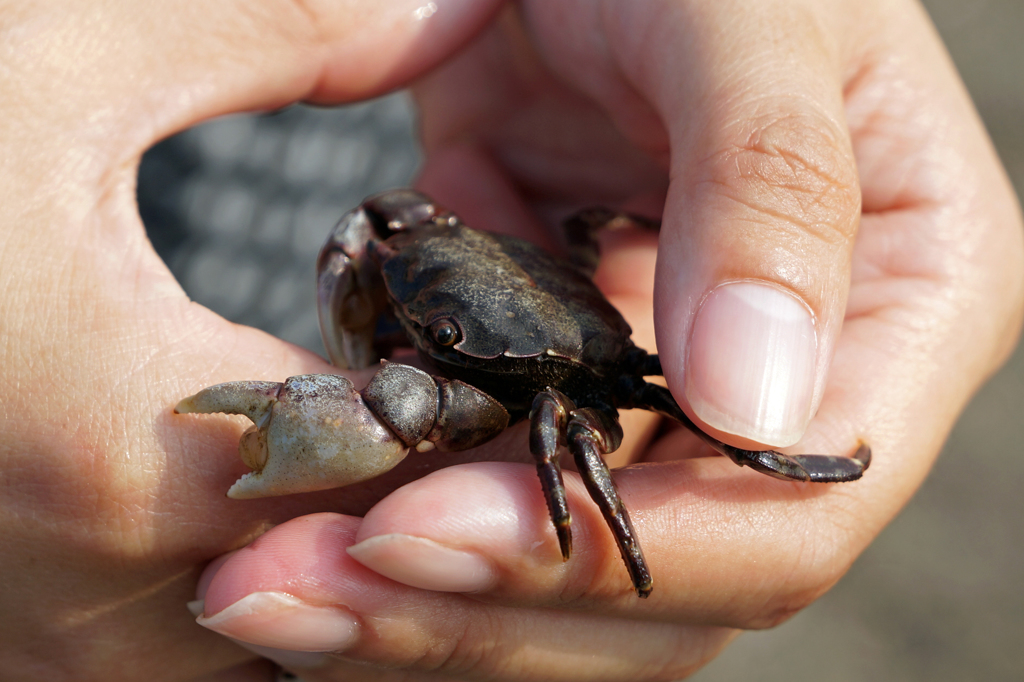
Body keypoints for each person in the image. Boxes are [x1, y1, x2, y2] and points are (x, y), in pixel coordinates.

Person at [1, 0, 1021, 680]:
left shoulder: (543, 391)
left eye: (429, 331)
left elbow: (597, 405)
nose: (416, 327)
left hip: (556, 361)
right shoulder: (432, 234)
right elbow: (387, 223)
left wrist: (663, 500)